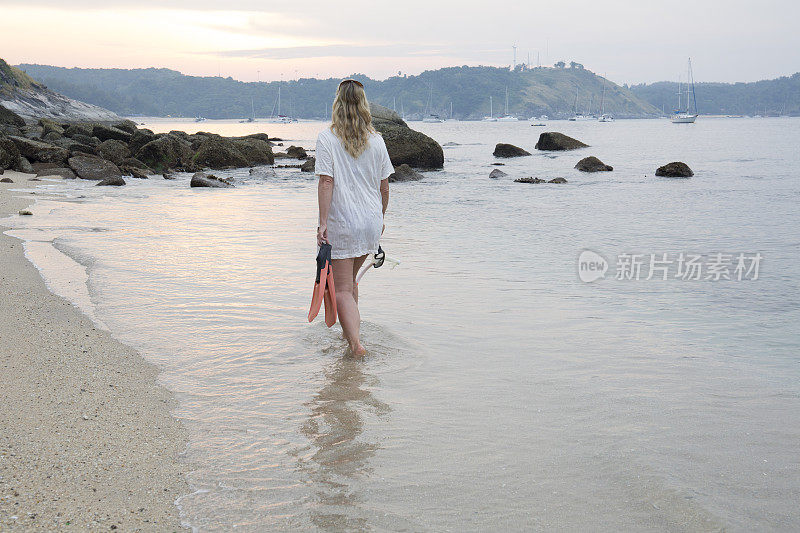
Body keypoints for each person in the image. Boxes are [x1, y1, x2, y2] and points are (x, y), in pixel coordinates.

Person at [315, 79, 393, 355]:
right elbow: (384, 187)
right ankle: (352, 335)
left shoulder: (327, 138)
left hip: (342, 222)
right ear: (364, 105)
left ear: (337, 103)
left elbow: (326, 181)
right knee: (352, 284)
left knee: (342, 289)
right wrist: (380, 218)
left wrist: (323, 223)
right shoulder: (377, 140)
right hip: (370, 221)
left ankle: (356, 346)